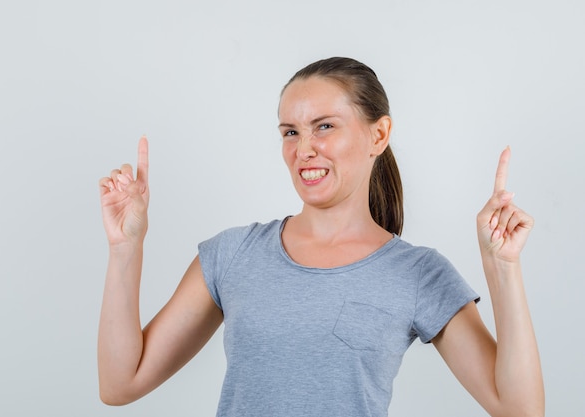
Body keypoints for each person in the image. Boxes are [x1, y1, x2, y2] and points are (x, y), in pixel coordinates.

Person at [97, 57, 544, 416]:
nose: (303, 148)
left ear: (379, 134)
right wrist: (125, 248)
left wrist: (502, 268)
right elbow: (121, 384)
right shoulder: (232, 255)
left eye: (324, 126)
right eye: (290, 132)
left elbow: (520, 410)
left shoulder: (418, 274)